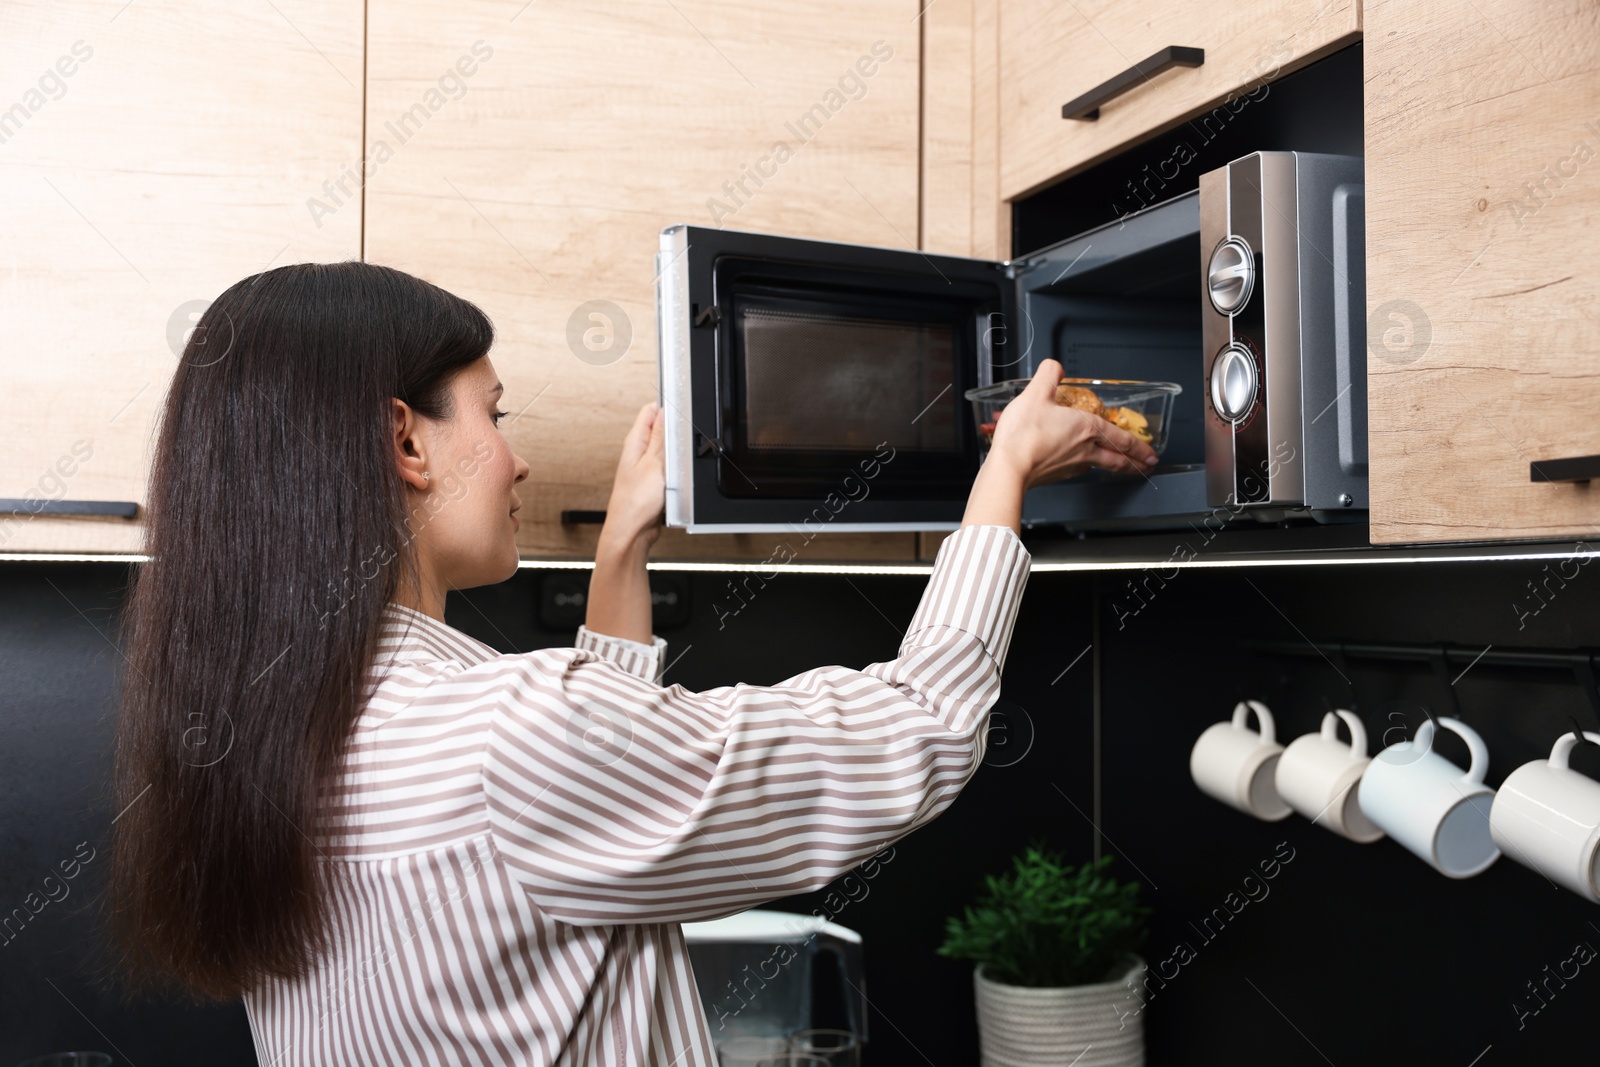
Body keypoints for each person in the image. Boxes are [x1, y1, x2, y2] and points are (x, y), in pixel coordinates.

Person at [108, 261, 1157, 1065]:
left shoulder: (258, 728)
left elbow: (581, 808)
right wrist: (1005, 465)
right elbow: (913, 730)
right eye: (494, 411)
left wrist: (621, 547)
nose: (516, 455)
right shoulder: (507, 733)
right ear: (406, 441)